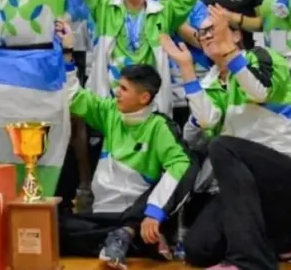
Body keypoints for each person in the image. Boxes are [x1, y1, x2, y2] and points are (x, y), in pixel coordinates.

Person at [168, 10, 291, 269]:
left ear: (236, 33)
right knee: (199, 249)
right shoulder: (212, 83)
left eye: (212, 28)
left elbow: (259, 92)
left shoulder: (264, 57)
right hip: (253, 186)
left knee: (223, 146)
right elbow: (206, 121)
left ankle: (250, 261)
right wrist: (186, 70)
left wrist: (230, 53)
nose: (206, 37)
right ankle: (283, 243)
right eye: (201, 33)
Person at [55, 21, 194, 270]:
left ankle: (128, 234)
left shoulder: (159, 127)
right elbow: (74, 97)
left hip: (135, 214)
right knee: (54, 226)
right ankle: (122, 239)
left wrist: (153, 212)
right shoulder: (111, 112)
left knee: (137, 224)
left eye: (124, 89)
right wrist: (67, 54)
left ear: (144, 98)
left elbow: (182, 166)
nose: (116, 93)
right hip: (101, 215)